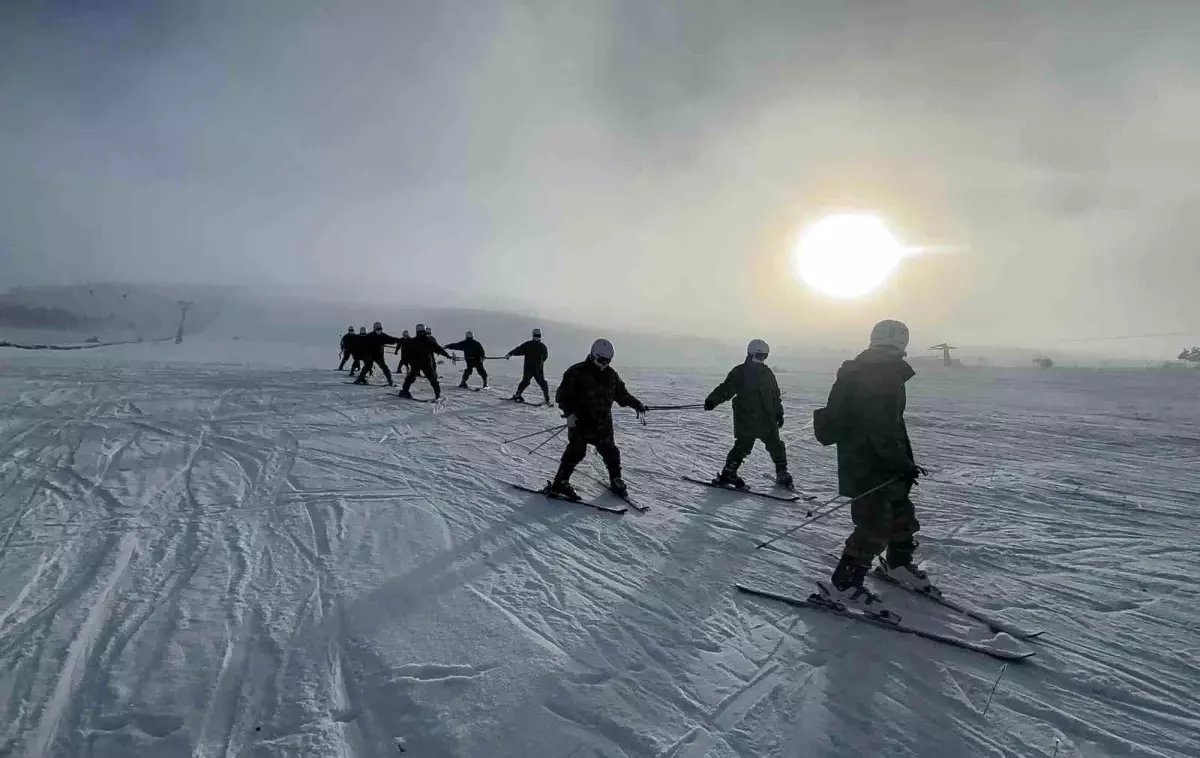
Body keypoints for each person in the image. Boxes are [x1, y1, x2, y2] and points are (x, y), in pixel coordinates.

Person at [820, 319, 928, 616]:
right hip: (872, 463)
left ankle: (898, 565)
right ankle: (843, 584)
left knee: (901, 512)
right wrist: (901, 463)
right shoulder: (883, 374)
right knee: (874, 525)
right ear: (903, 344)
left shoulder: (862, 370)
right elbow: (881, 428)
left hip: (868, 459)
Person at [549, 339, 647, 500]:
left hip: (603, 424)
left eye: (608, 361)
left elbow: (622, 395)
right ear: (594, 355)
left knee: (611, 452)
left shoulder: (611, 375)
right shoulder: (576, 372)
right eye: (602, 360)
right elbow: (562, 397)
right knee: (576, 452)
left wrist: (637, 404)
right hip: (580, 422)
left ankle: (616, 479)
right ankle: (560, 482)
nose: (605, 364)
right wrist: (569, 414)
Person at [704, 339, 793, 489]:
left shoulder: (767, 373)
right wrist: (712, 400)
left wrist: (779, 413)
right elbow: (726, 388)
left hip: (767, 418)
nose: (762, 360)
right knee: (743, 446)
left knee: (776, 445)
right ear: (750, 354)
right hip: (746, 417)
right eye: (759, 356)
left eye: (765, 356)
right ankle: (728, 473)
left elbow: (775, 396)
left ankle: (782, 472)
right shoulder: (740, 372)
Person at [399, 323, 451, 399]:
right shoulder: (429, 340)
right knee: (432, 379)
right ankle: (437, 394)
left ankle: (404, 391)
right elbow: (438, 349)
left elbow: (407, 353)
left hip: (416, 363)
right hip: (426, 363)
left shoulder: (413, 341)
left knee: (410, 378)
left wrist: (406, 361)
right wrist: (447, 355)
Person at [506, 328, 550, 404]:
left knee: (537, 382)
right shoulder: (536, 346)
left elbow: (545, 356)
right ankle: (518, 395)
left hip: (535, 368)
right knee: (528, 382)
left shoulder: (537, 346)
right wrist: (510, 353)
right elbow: (519, 350)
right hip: (532, 368)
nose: (537, 337)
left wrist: (510, 354)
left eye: (538, 336)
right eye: (536, 336)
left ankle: (546, 398)